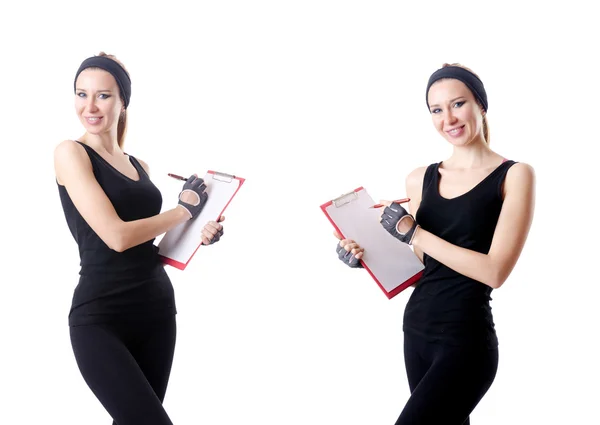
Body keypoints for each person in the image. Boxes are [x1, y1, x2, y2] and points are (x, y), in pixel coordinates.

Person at [335, 63, 535, 424]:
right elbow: (423, 264)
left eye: (458, 104)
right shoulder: (419, 179)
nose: (449, 118)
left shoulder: (515, 175)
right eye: (437, 110)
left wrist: (414, 232)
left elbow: (494, 271)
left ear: (481, 105)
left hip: (466, 341)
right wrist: (365, 256)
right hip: (416, 331)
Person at [54, 52, 224, 425]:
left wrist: (198, 230)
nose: (90, 106)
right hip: (100, 315)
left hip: (156, 311)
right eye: (82, 94)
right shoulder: (71, 153)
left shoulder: (138, 166)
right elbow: (116, 237)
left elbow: (147, 247)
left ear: (123, 101)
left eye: (103, 95)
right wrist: (184, 211)